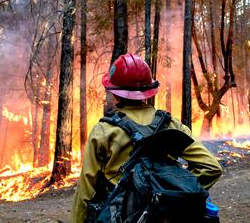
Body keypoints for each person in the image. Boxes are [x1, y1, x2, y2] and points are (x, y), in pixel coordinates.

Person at [70, 53, 222, 223]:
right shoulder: (171, 124)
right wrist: (173, 193)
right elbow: (211, 167)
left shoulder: (104, 131)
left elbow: (86, 190)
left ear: (115, 93)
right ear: (148, 92)